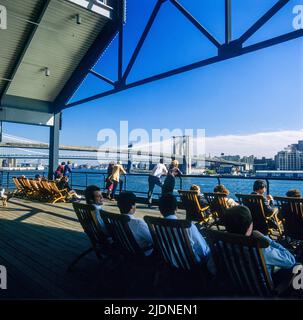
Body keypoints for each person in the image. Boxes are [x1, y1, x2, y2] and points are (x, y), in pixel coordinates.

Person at [222, 205, 297, 287]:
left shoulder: (220, 245)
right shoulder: (262, 249)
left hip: (237, 286)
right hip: (263, 291)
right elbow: (290, 260)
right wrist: (267, 240)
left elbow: (212, 267)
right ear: (250, 225)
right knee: (297, 266)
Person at [158, 193, 210, 265]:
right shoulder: (188, 225)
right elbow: (203, 250)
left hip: (170, 263)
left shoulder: (157, 226)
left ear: (160, 209)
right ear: (176, 208)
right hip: (191, 265)